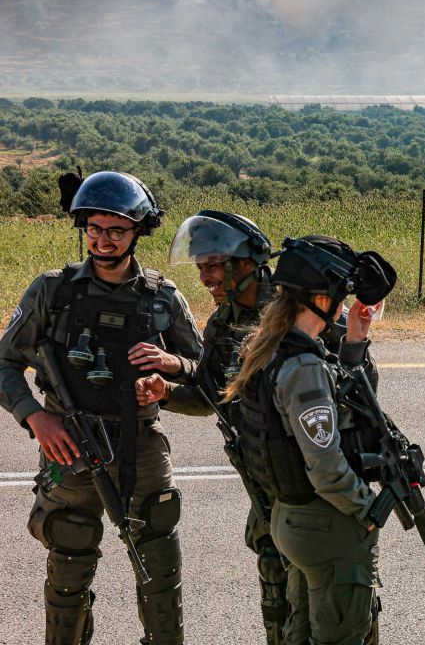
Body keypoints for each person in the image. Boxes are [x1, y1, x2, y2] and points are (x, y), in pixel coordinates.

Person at [134, 211, 379, 645]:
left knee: (340, 610)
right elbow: (213, 395)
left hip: (319, 495)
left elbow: (360, 393)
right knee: (279, 603)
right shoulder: (223, 323)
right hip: (269, 486)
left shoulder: (304, 306)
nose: (206, 277)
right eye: (201, 267)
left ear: (244, 264)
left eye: (213, 266)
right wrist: (168, 392)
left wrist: (354, 499)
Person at [0, 170, 202, 644]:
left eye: (115, 230)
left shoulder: (163, 298)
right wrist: (35, 415)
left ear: (137, 231)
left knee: (159, 571)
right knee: (68, 557)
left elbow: (207, 387)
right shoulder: (53, 291)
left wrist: (169, 377)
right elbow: (4, 363)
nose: (103, 239)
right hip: (69, 444)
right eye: (94, 228)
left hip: (141, 447)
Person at [222, 235, 395, 645]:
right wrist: (366, 511)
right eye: (341, 294)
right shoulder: (303, 365)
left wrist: (355, 339)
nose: (343, 303)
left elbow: (349, 397)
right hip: (325, 524)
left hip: (292, 518)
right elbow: (326, 465)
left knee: (298, 634)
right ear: (322, 297)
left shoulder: (275, 347)